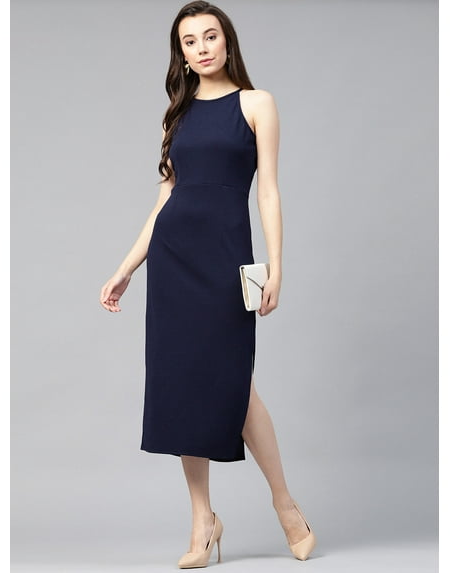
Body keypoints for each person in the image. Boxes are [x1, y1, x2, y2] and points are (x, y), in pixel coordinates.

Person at [99, 1, 315, 567]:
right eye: (189, 42)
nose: (201, 48)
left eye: (209, 36)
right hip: (174, 263)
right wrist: (126, 268)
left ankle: (285, 504)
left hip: (224, 260)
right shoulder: (176, 115)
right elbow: (164, 203)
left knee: (234, 384)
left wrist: (276, 266)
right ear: (182, 54)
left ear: (227, 40)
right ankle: (203, 520)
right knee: (181, 386)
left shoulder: (257, 103)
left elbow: (268, 190)